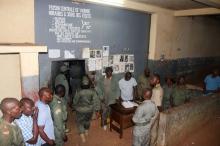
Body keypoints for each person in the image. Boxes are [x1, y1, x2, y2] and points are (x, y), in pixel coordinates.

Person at [73, 76, 100, 142]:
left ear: (82, 84)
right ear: (89, 84)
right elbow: (96, 101)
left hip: (80, 110)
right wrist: (97, 110)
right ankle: (86, 131)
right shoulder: (92, 91)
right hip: (89, 110)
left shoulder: (78, 91)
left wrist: (74, 107)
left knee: (80, 122)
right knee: (87, 120)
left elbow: (75, 101)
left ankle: (82, 136)